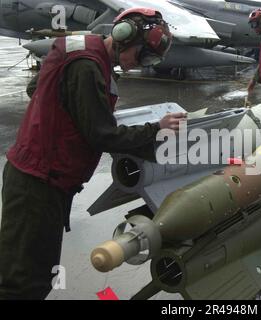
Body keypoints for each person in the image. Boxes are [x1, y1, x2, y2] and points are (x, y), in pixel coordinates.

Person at [0, 8, 186, 300]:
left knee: (28, 272)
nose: (140, 65)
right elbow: (102, 135)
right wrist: (155, 129)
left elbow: (35, 87)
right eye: (142, 56)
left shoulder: (82, 49)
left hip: (37, 178)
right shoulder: (88, 66)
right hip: (38, 184)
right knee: (25, 283)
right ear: (125, 37)